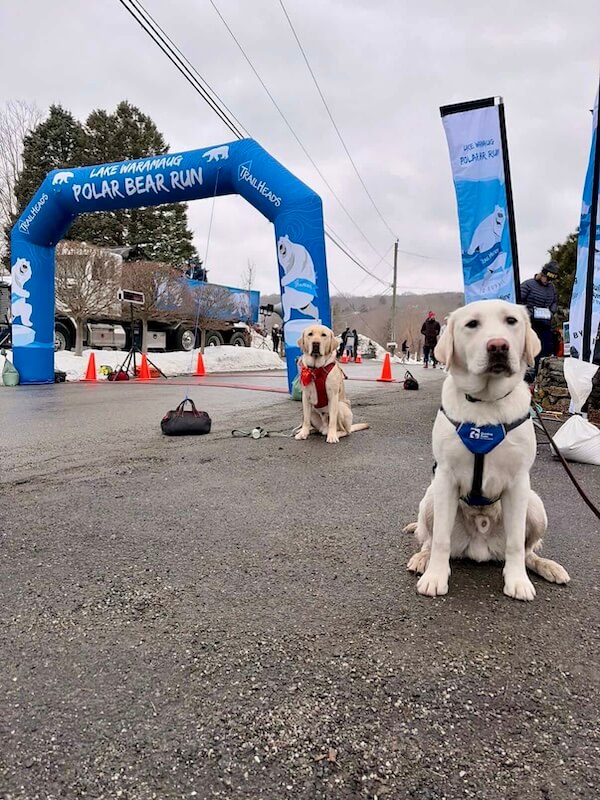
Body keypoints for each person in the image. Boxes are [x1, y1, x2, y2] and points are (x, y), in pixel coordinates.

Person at [520, 260, 559, 373]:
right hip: (531, 324)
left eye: (551, 279)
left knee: (545, 350)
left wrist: (551, 312)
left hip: (545, 324)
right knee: (530, 349)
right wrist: (531, 312)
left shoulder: (552, 288)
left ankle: (540, 372)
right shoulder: (528, 285)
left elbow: (554, 302)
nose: (548, 281)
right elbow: (518, 301)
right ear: (542, 274)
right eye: (547, 278)